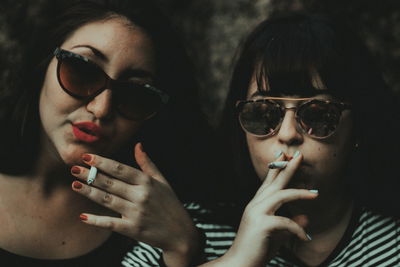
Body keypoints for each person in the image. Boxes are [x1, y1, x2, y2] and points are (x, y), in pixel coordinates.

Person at [123, 12, 400, 267]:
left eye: (318, 115)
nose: (288, 134)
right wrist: (236, 260)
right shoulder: (190, 231)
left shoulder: (390, 246)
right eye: (264, 114)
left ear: (358, 126)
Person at [0, 0, 217, 266]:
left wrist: (185, 250)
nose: (101, 109)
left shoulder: (158, 227)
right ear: (42, 66)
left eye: (135, 94)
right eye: (82, 70)